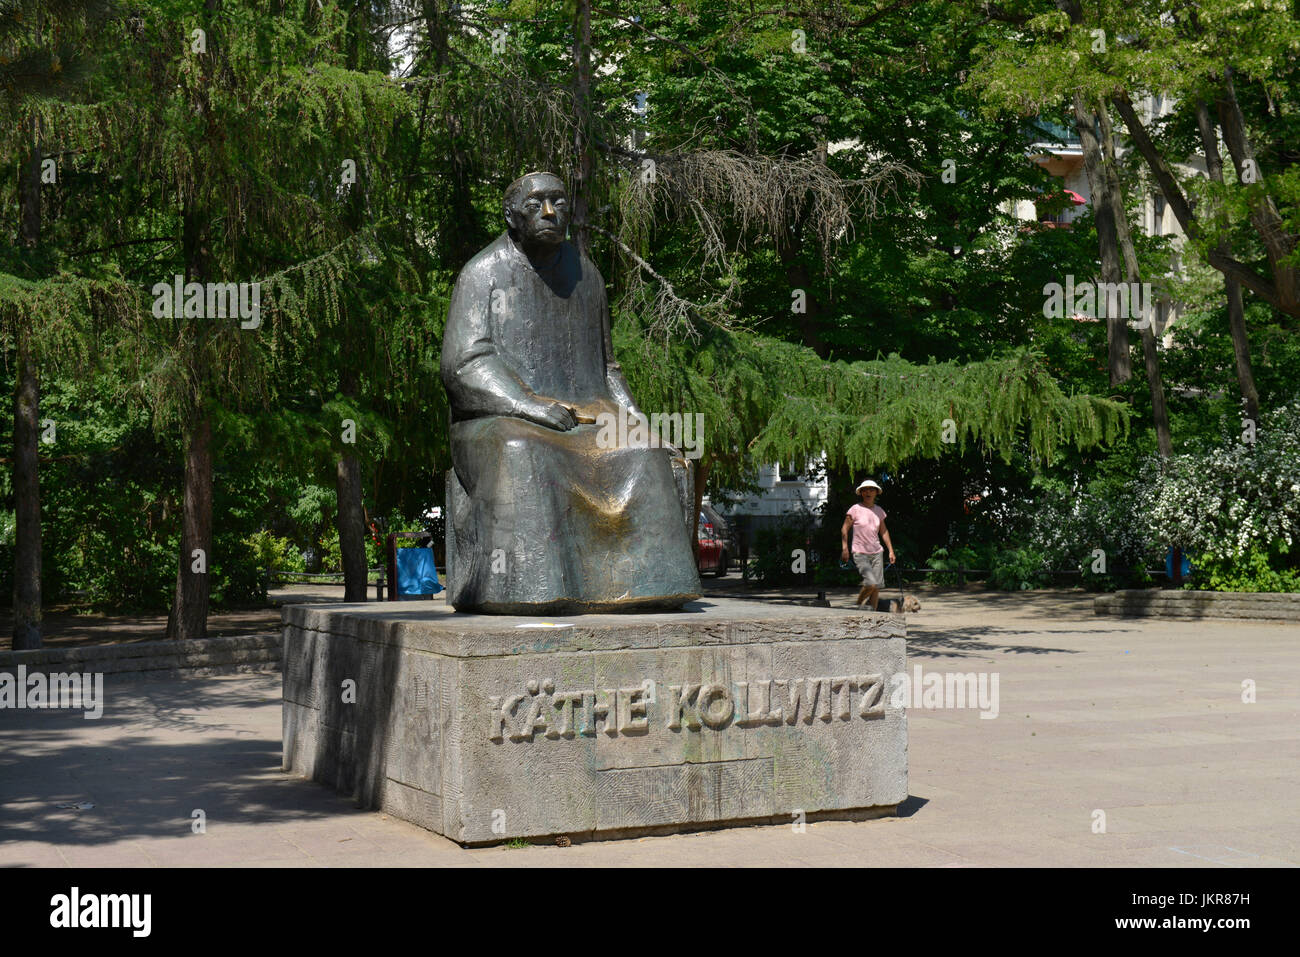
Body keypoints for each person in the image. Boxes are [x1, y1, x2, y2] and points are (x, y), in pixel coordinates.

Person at [439, 171, 700, 613]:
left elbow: (607, 368)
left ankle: (653, 587)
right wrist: (529, 406)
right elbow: (464, 365)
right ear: (511, 216)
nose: (549, 212)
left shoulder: (587, 277)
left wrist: (636, 421)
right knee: (524, 448)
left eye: (558, 202)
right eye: (536, 203)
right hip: (498, 420)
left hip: (583, 416)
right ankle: (530, 591)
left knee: (647, 452)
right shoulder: (482, 274)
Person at [840, 479, 896, 609]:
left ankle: (873, 616)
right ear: (861, 493)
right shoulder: (855, 509)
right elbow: (844, 529)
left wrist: (891, 551)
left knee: (876, 588)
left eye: (871, 490)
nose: (868, 492)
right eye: (865, 490)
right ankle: (858, 605)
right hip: (860, 552)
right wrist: (844, 548)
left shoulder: (879, 511)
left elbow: (884, 532)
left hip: (877, 552)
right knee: (871, 583)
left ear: (876, 493)